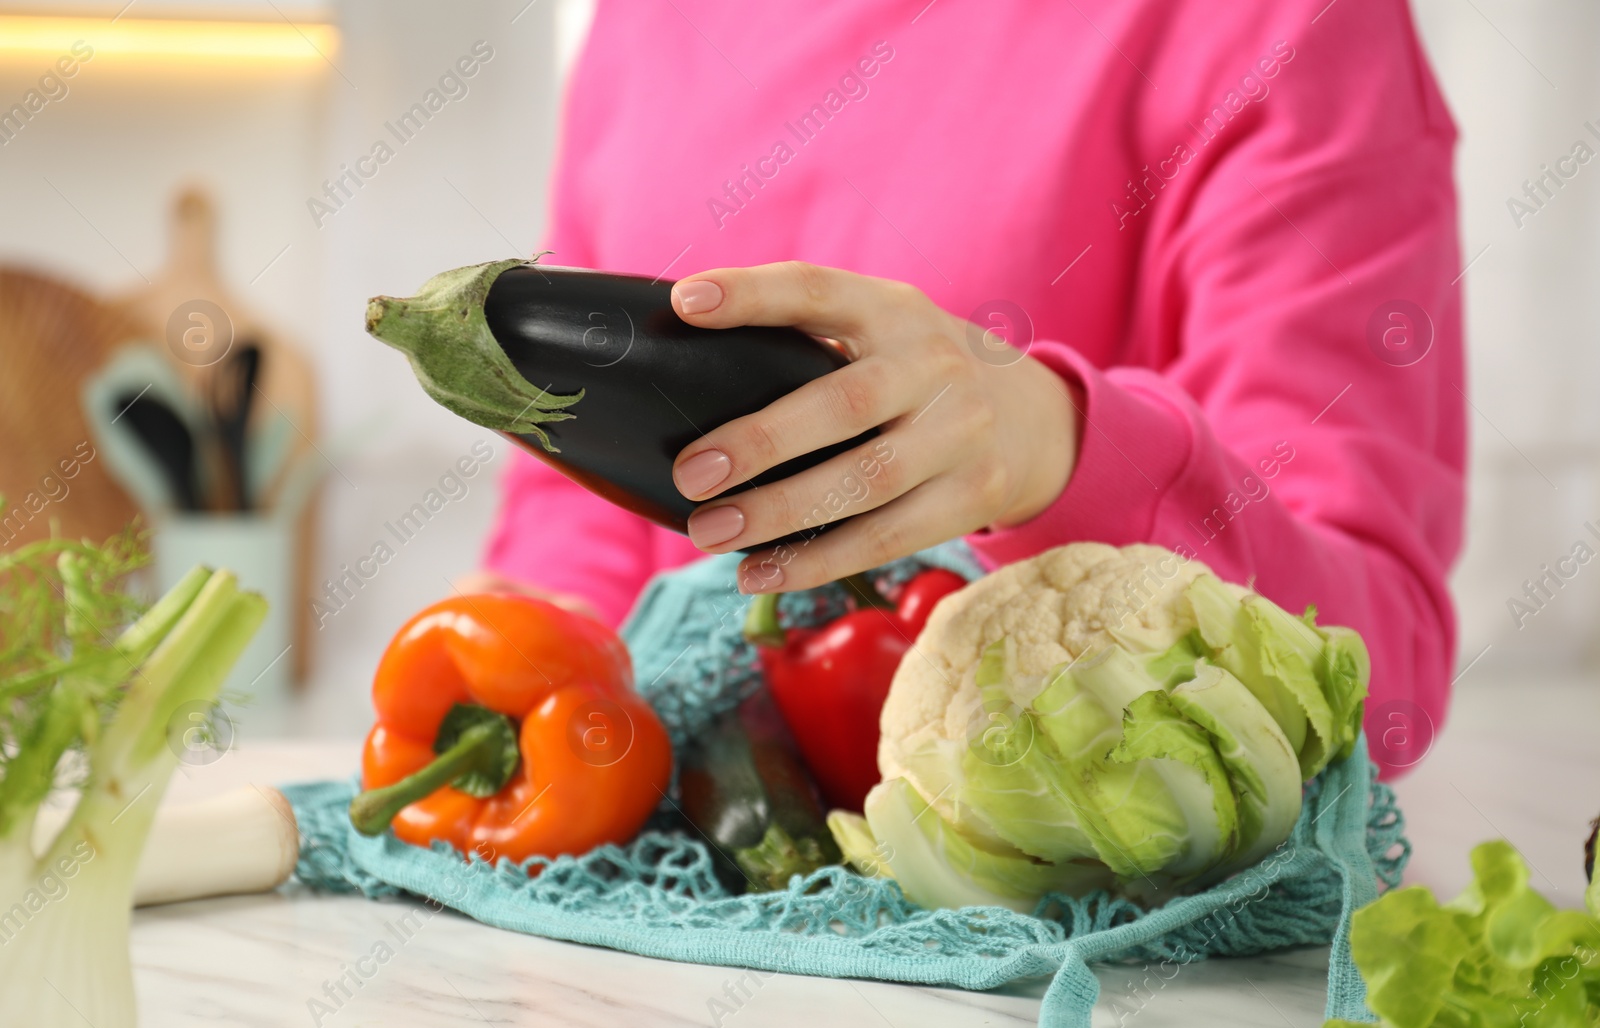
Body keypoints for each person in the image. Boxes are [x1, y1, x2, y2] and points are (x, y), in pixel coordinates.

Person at [463, 0, 1464, 779]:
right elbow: (572, 507)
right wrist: (531, 645)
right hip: (649, 939)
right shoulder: (647, 20)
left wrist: (1059, 454)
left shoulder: (1289, 24)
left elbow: (1377, 683)